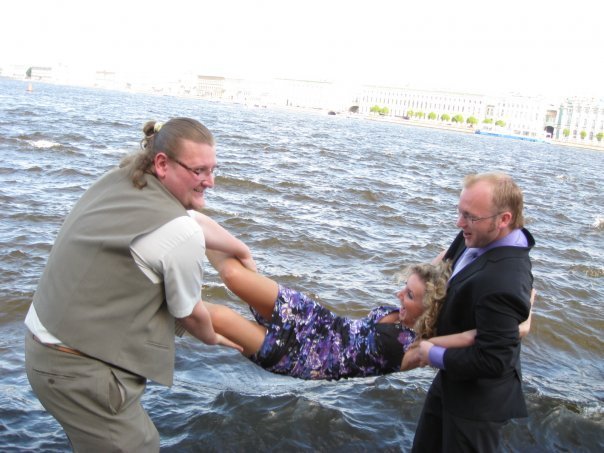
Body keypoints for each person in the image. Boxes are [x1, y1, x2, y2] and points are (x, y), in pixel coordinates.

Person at [24, 117, 253, 452]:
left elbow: (187, 220)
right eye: (199, 171)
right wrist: (213, 337)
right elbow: (189, 313)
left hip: (44, 344)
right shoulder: (178, 233)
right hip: (76, 369)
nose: (210, 181)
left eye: (213, 170)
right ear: (162, 163)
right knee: (139, 445)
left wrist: (240, 249)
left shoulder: (123, 179)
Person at [201, 248, 533, 381]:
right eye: (404, 288)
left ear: (430, 308)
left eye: (409, 295)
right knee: (234, 274)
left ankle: (168, 301)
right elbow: (447, 256)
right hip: (317, 320)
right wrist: (468, 242)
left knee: (219, 318)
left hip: (304, 358)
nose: (399, 295)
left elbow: (488, 336)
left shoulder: (418, 348)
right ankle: (184, 221)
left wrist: (522, 314)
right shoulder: (409, 307)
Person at [412, 172, 535, 453]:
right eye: (460, 212)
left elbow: (494, 360)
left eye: (469, 216)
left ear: (504, 219)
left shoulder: (505, 280)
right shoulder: (477, 234)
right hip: (451, 380)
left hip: (477, 405)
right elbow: (446, 265)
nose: (459, 223)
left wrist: (432, 353)